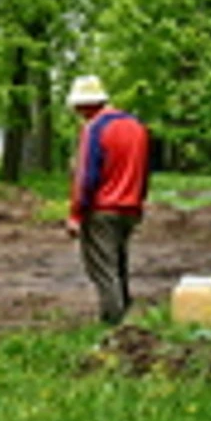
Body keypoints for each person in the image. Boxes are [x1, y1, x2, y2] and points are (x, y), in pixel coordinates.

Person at [65, 75, 149, 325]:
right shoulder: (137, 126)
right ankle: (127, 318)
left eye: (78, 107)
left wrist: (76, 214)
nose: (77, 112)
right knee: (119, 264)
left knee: (103, 269)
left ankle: (113, 325)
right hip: (130, 208)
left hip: (102, 209)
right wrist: (139, 200)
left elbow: (87, 175)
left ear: (85, 105)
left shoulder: (95, 128)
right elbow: (144, 171)